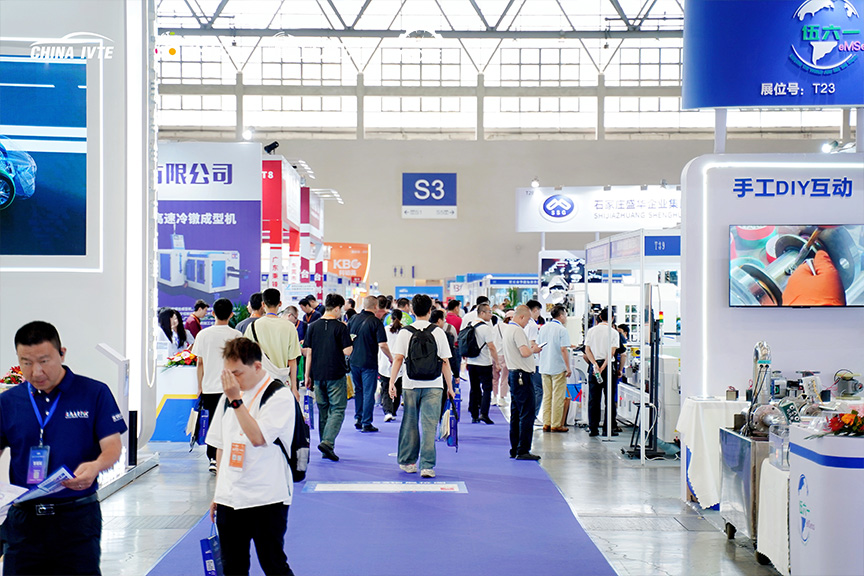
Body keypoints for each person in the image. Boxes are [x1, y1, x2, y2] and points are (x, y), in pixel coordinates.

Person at [0, 321, 127, 575]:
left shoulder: (93, 393)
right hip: (24, 521)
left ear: (62, 354)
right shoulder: (9, 401)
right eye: (26, 362)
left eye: (44, 361)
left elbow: (112, 447)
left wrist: (96, 466)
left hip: (76, 518)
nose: (36, 371)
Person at [205, 338, 296, 576]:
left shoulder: (278, 395)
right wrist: (219, 493)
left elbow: (258, 437)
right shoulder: (228, 397)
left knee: (273, 564)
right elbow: (221, 445)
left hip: (266, 496)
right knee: (232, 567)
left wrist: (236, 400)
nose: (232, 380)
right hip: (230, 497)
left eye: (237, 373)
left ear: (257, 366)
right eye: (228, 374)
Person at [389, 294, 454, 478]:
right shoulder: (438, 332)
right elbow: (445, 362)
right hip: (434, 384)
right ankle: (427, 466)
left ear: (412, 310)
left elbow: (398, 359)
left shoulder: (405, 332)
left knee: (409, 423)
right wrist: (450, 387)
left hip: (410, 384)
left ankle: (408, 462)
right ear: (430, 311)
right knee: (429, 426)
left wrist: (392, 382)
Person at [191, 297, 242, 473]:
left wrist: (199, 386)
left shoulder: (203, 335)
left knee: (213, 422)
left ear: (213, 313)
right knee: (231, 422)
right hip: (231, 388)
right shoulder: (236, 336)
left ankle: (213, 458)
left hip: (210, 387)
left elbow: (200, 363)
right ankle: (227, 456)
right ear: (231, 314)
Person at [302, 293, 352, 462]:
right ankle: (328, 442)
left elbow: (308, 353)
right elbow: (347, 351)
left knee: (323, 410)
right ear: (337, 308)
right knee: (337, 409)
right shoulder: (340, 327)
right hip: (335, 374)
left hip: (317, 374)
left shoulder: (312, 326)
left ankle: (326, 448)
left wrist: (307, 375)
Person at [244, 288, 302, 401]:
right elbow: (292, 361)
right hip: (282, 383)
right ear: (280, 303)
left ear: (263, 304)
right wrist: (294, 388)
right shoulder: (289, 327)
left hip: (259, 383)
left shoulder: (253, 327)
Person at [501, 306, 543, 460]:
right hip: (522, 376)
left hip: (515, 374)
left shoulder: (508, 329)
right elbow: (524, 352)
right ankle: (523, 449)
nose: (527, 323)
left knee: (516, 413)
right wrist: (534, 349)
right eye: (528, 319)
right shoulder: (517, 331)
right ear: (522, 317)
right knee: (527, 413)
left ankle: (516, 448)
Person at [348, 296, 392, 432]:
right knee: (368, 392)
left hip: (354, 361)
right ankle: (366, 422)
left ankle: (358, 418)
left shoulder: (353, 319)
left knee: (359, 390)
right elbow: (383, 344)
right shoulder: (376, 322)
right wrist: (391, 357)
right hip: (369, 362)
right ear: (376, 306)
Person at [583, 307, 621, 437]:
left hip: (594, 366)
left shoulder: (591, 331)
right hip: (608, 367)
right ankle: (607, 429)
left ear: (600, 317)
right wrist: (603, 367)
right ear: (612, 318)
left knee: (594, 399)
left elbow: (587, 350)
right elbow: (612, 353)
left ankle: (593, 428)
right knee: (609, 399)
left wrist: (595, 365)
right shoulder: (613, 332)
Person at [538, 305, 572, 433]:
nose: (566, 318)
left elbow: (539, 347)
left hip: (544, 366)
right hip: (558, 367)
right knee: (558, 396)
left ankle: (546, 423)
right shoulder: (562, 330)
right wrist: (568, 367)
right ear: (561, 315)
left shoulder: (543, 328)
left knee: (547, 396)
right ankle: (556, 424)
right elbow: (563, 349)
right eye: (565, 315)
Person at [465, 303, 499, 425]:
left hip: (472, 362)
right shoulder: (486, 328)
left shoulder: (470, 325)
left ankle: (474, 415)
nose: (491, 314)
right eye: (489, 312)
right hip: (484, 363)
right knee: (487, 389)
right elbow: (491, 347)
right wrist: (497, 363)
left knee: (474, 388)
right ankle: (484, 414)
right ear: (482, 313)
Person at [431, 309, 460, 417]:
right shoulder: (445, 335)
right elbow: (450, 358)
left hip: (424, 372)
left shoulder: (420, 332)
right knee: (441, 397)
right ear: (439, 320)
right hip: (440, 373)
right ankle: (439, 418)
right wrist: (456, 374)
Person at [378, 309, 404, 422]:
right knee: (397, 388)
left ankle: (388, 412)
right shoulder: (404, 331)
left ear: (390, 318)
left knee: (385, 388)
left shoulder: (384, 330)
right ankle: (393, 410)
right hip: (399, 363)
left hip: (385, 362)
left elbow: (381, 345)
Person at [525, 299, 544, 420]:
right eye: (539, 312)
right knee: (538, 390)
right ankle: (533, 414)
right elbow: (532, 343)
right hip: (534, 361)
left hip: (526, 360)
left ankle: (529, 414)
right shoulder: (532, 325)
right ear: (535, 310)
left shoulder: (525, 324)